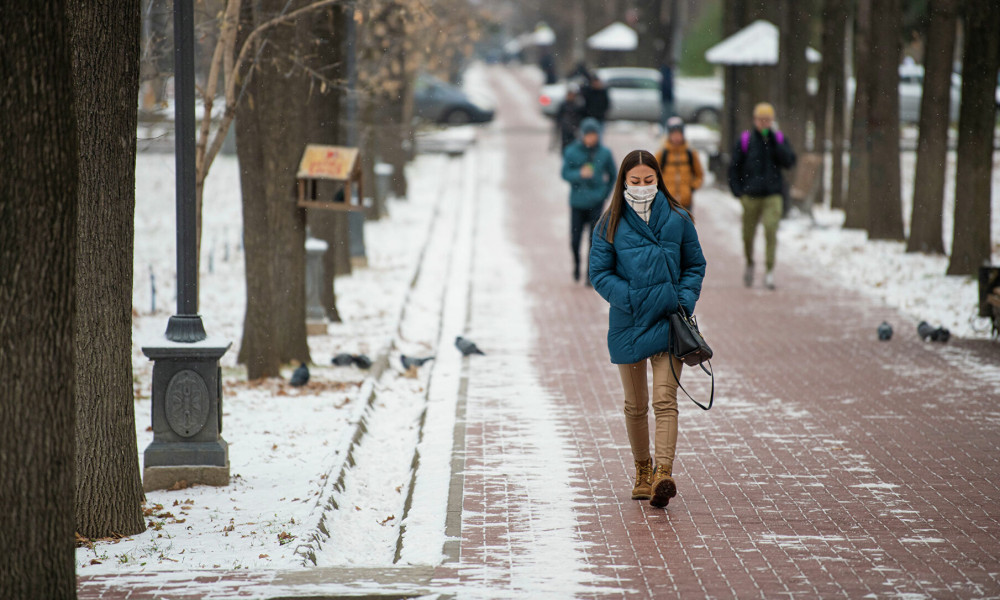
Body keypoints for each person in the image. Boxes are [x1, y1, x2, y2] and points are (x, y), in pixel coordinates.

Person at [589, 149, 707, 509]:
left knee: (664, 400)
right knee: (636, 404)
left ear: (658, 179)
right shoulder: (610, 222)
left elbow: (695, 265)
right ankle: (642, 470)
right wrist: (632, 297)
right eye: (635, 181)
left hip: (669, 322)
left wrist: (683, 300)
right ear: (624, 181)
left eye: (649, 181)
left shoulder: (678, 218)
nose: (642, 187)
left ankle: (663, 474)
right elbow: (599, 274)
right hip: (629, 321)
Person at [728, 102, 796, 290]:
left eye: (768, 120)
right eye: (761, 119)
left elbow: (789, 162)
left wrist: (775, 142)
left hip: (773, 194)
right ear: (755, 120)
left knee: (770, 229)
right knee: (748, 235)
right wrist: (738, 191)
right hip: (750, 195)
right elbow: (734, 167)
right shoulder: (745, 140)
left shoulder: (779, 139)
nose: (764, 123)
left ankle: (769, 271)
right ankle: (750, 262)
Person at [562, 117, 616, 284]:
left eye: (595, 135)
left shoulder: (605, 153)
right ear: (583, 135)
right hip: (577, 203)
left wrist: (604, 194)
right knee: (575, 240)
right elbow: (565, 173)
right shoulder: (572, 151)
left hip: (596, 203)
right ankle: (577, 265)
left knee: (594, 241)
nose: (592, 138)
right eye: (589, 135)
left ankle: (589, 275)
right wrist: (579, 174)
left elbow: (613, 175)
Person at [657, 117, 704, 211]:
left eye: (678, 134)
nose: (676, 137)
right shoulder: (662, 154)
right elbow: (654, 174)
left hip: (686, 202)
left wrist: (692, 187)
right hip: (667, 202)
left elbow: (699, 174)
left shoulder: (690, 153)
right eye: (673, 134)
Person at [553, 84, 585, 153]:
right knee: (565, 146)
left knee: (574, 145)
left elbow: (580, 116)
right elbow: (558, 116)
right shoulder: (564, 104)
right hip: (565, 128)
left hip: (574, 129)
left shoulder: (577, 105)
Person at [659, 62, 675, 132]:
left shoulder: (665, 75)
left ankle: (665, 127)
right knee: (667, 115)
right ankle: (665, 128)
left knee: (666, 114)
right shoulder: (667, 75)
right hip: (667, 99)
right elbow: (667, 88)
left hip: (666, 99)